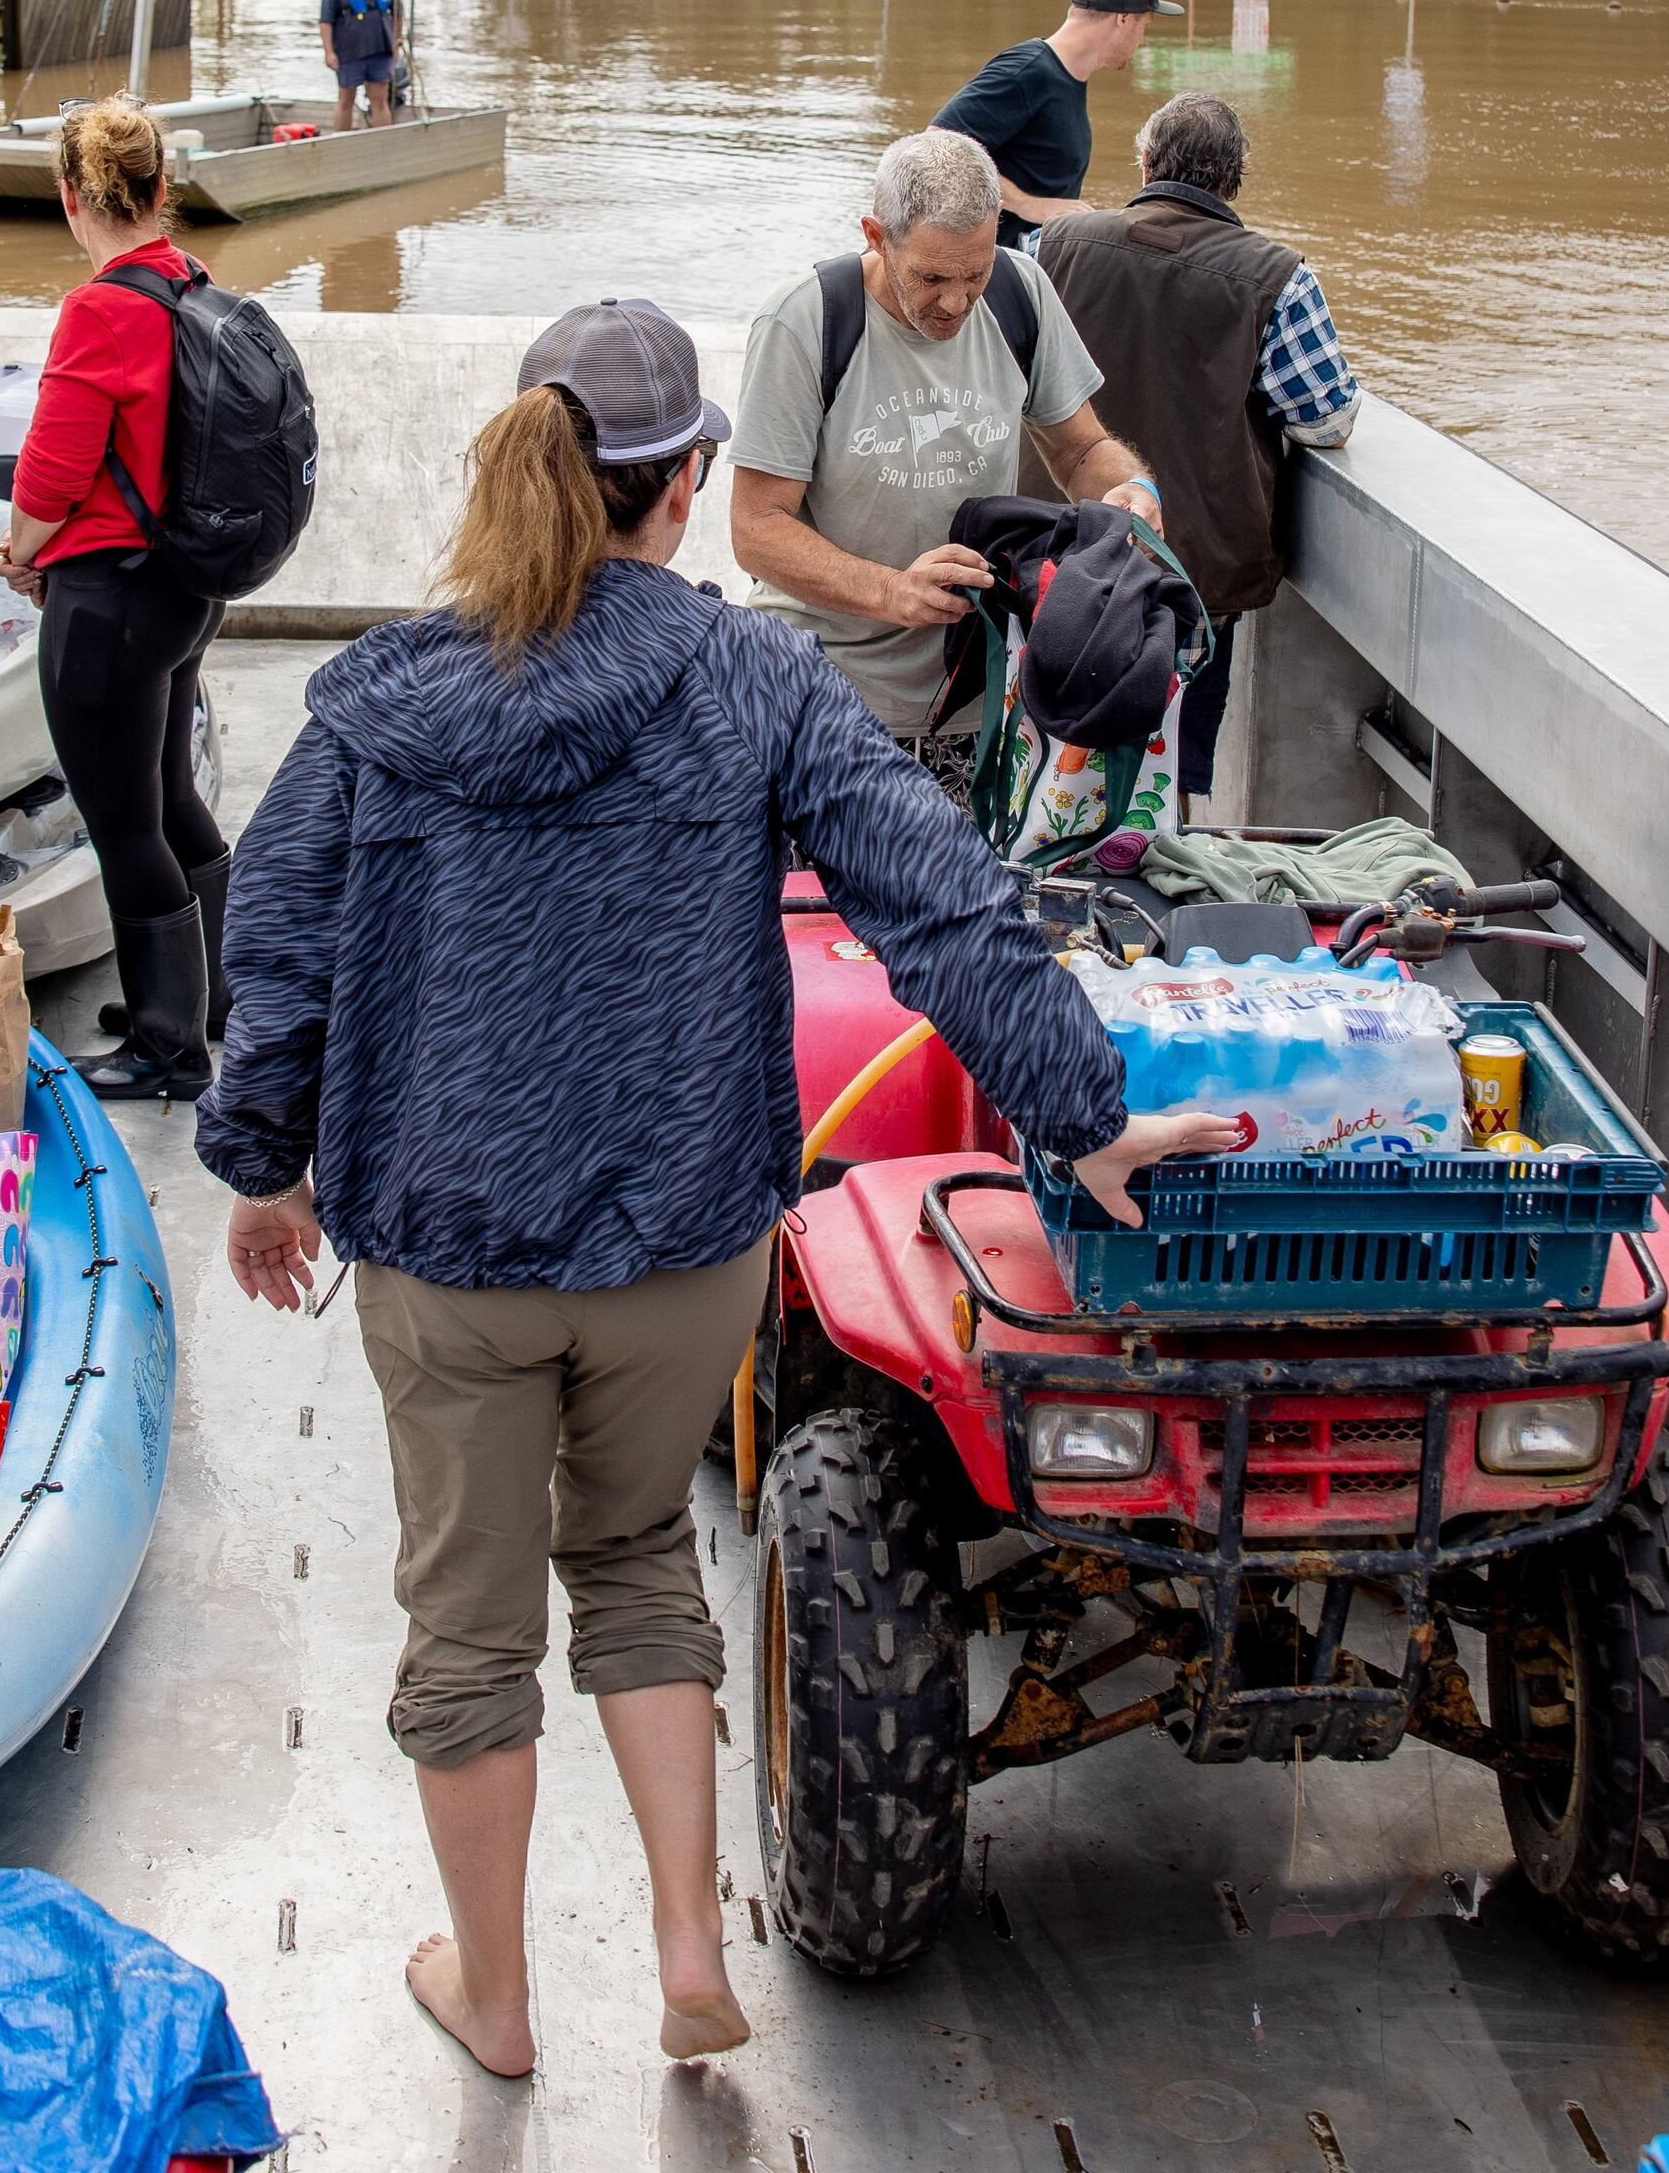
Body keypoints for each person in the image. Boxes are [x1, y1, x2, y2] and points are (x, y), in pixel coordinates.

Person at [198, 299, 1239, 2080]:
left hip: (449, 1248)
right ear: (687, 486)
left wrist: (257, 1166)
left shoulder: (377, 700)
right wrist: (1083, 1115)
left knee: (466, 1626)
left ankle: (500, 1994)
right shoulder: (757, 679)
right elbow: (939, 899)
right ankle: (689, 1947)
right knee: (635, 1563)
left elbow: (276, 946)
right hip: (682, 1249)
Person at [727, 128, 1163, 789]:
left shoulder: (1023, 293)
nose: (957, 302)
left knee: (960, 893)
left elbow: (1081, 449)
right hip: (820, 696)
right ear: (876, 236)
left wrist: (1129, 489)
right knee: (818, 895)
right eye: (931, 277)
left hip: (975, 700)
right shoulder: (805, 321)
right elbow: (756, 529)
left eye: (975, 274)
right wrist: (892, 591)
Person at [0, 94, 230, 1098]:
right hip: (182, 589)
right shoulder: (192, 285)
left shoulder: (99, 307)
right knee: (171, 796)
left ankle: (165, 1049)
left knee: (122, 824)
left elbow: (52, 475)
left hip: (107, 601)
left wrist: (16, 550)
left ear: (68, 199)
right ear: (162, 191)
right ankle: (218, 994)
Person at [1036, 92, 1358, 804]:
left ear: (1146, 162)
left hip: (1063, 550)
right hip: (1192, 576)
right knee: (1165, 766)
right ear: (1235, 175)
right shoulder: (1277, 277)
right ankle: (1147, 881)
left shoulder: (1052, 247)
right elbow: (1327, 421)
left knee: (1041, 741)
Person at [929, 0, 1171, 245]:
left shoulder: (1067, 78)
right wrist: (1026, 204)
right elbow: (934, 148)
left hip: (1025, 269)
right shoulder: (1028, 71)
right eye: (1144, 25)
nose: (1142, 39)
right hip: (989, 273)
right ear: (1123, 19)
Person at [322, 0, 403, 128]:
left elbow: (398, 13)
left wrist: (397, 41)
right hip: (350, 51)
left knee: (379, 99)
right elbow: (325, 20)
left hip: (380, 47)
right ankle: (341, 142)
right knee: (346, 99)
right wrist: (329, 52)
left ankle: (382, 144)